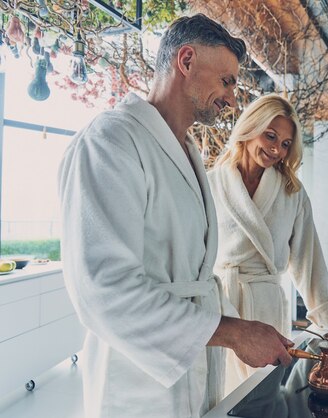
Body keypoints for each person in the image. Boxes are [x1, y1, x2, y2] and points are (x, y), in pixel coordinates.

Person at [58, 15, 293, 418]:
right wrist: (234, 333)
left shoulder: (188, 155)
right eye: (227, 82)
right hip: (136, 381)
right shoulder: (111, 142)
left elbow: (199, 280)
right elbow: (104, 290)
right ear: (186, 61)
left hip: (194, 371)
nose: (232, 99)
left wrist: (246, 333)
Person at [207, 93, 328, 391]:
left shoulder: (292, 193)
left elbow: (307, 258)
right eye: (271, 136)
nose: (277, 149)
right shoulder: (211, 183)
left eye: (286, 144)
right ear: (250, 128)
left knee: (260, 396)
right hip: (221, 309)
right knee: (221, 396)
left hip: (265, 308)